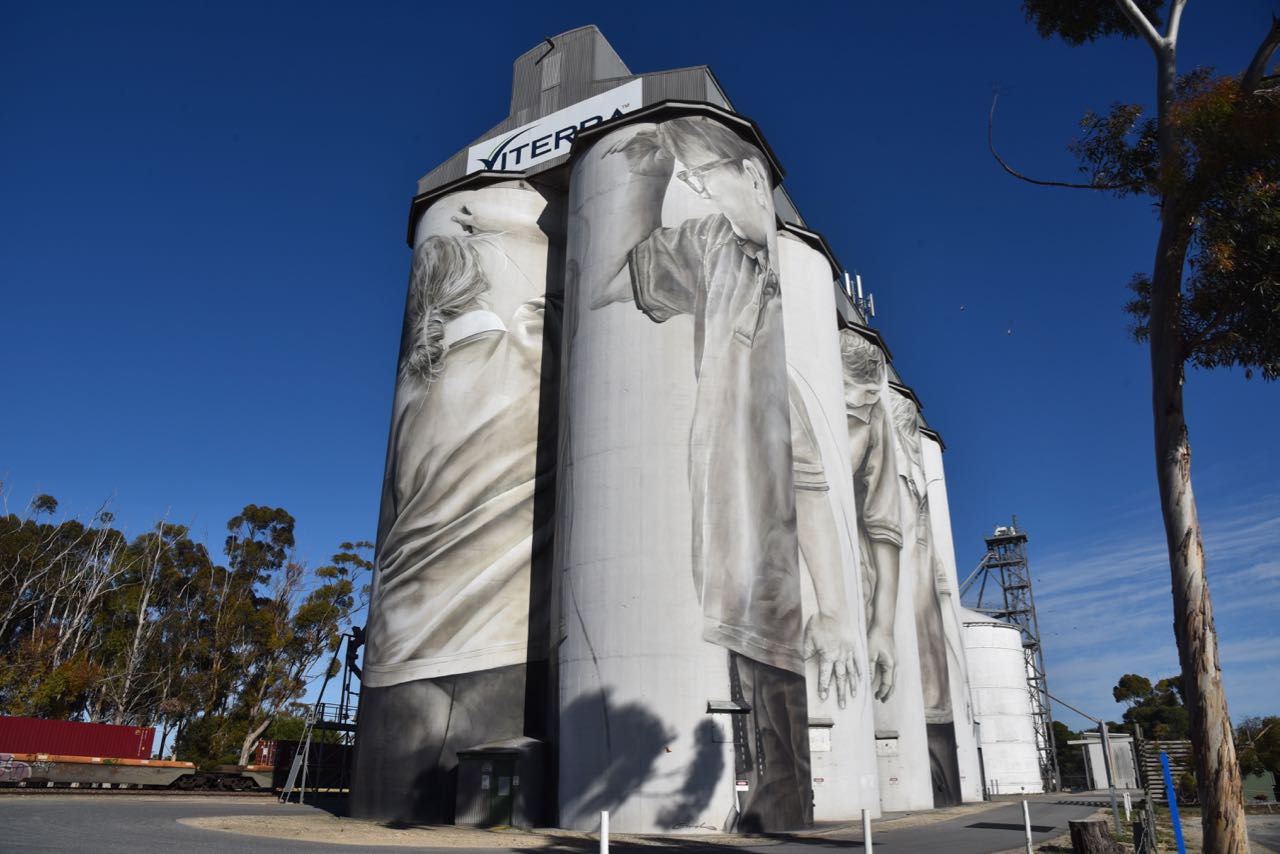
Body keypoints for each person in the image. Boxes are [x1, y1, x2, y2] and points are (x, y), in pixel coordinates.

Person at [582, 115, 824, 831]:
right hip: (730, 586)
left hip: (774, 603)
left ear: (751, 174)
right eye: (691, 182)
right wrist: (644, 179)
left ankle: (777, 815)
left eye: (705, 177)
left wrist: (837, 610)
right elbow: (608, 285)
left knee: (782, 781)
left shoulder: (784, 276)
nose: (700, 192)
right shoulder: (711, 243)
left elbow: (811, 476)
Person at [354, 196, 560, 821]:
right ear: (476, 282)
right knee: (493, 805)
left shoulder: (414, 396)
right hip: (496, 643)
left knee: (399, 812)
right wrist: (514, 224)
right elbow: (598, 274)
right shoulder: (526, 347)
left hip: (397, 652)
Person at [839, 330, 903, 703]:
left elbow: (884, 522)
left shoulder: (874, 411)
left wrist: (883, 626)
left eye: (852, 417)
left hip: (849, 586)